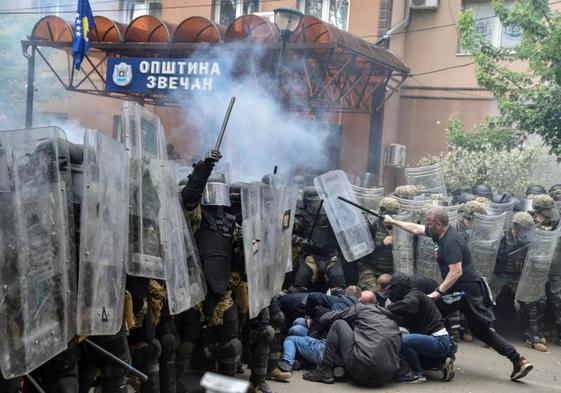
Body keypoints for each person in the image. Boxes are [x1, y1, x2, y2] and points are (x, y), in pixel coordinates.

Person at [384, 207, 533, 381]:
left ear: (439, 224)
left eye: (429, 224)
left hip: (464, 291)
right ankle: (518, 360)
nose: (426, 227)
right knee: (480, 330)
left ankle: (439, 358)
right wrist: (393, 221)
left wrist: (437, 292)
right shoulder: (438, 233)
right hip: (461, 290)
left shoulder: (450, 241)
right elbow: (416, 229)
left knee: (429, 314)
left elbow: (456, 272)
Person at [302, 303, 401, 386]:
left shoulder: (362, 308)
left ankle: (325, 370)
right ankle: (344, 371)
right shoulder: (392, 322)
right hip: (385, 377)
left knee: (339, 324)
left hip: (361, 369)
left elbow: (325, 318)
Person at [385, 273, 455, 383]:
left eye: (392, 289)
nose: (390, 293)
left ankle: (418, 374)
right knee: (407, 346)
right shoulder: (412, 296)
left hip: (438, 341)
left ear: (399, 287)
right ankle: (441, 363)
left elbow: (409, 305)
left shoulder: (414, 295)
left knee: (401, 340)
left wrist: (385, 309)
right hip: (437, 340)